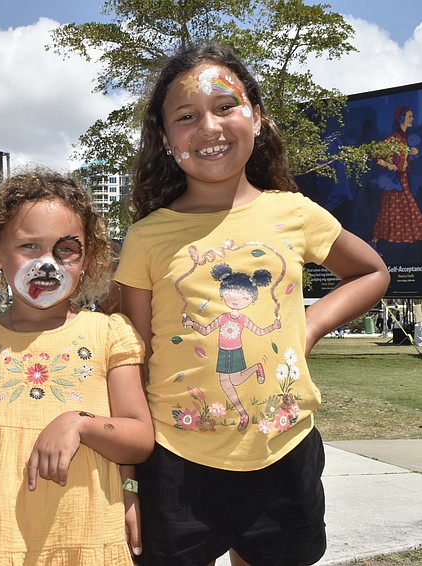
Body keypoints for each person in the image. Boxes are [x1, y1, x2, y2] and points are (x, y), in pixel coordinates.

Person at [114, 44, 390, 566]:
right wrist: (129, 480)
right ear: (166, 138)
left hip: (285, 450)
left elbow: (372, 272)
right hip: (177, 459)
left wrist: (310, 326)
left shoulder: (295, 213)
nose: (210, 126)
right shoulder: (147, 237)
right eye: (187, 116)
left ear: (257, 118)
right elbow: (134, 356)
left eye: (226, 106)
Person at [0, 169, 154, 565]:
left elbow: (139, 436)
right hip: (2, 545)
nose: (48, 264)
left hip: (91, 539)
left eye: (65, 249)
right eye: (30, 247)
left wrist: (80, 423)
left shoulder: (108, 333)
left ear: (87, 257)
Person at [371, 106, 422, 253]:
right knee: (407, 211)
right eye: (410, 117)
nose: (412, 119)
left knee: (391, 213)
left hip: (402, 180)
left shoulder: (403, 139)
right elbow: (375, 156)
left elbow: (403, 160)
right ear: (401, 119)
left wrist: (412, 155)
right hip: (395, 181)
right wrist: (388, 165)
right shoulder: (393, 138)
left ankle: (374, 244)